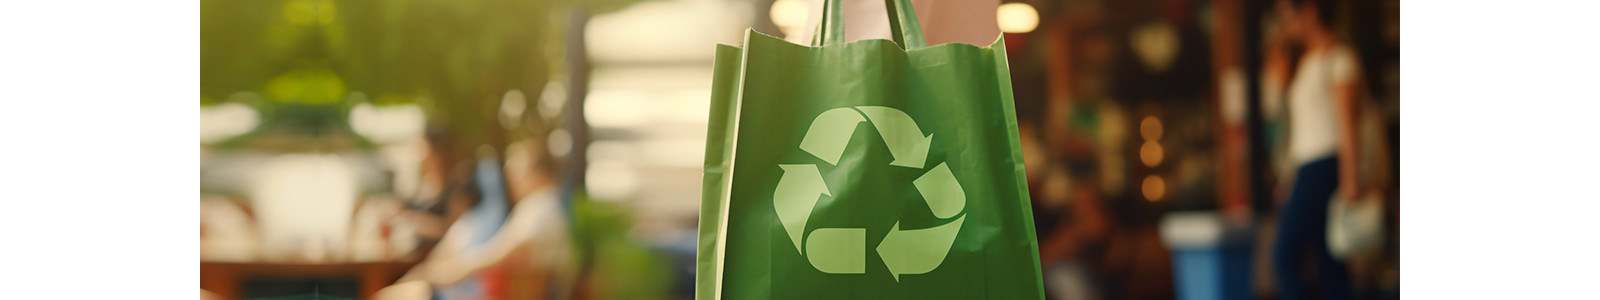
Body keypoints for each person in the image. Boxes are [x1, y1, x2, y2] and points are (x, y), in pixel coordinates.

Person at [1269, 0, 1367, 298]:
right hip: (1305, 165)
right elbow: (1282, 110)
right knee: (1329, 262)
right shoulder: (1305, 61)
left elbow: (1347, 125)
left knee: (1284, 255)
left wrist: (1351, 180)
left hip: (1325, 164)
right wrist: (1290, 176)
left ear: (1309, 12)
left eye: (1287, 16)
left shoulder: (1339, 58)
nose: (1284, 25)